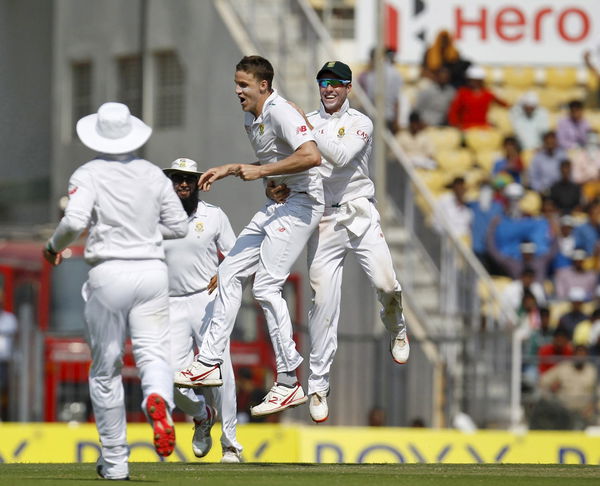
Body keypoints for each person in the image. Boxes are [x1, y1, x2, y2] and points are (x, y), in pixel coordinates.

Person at [42, 102, 188, 480]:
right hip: (152, 271)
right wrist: (143, 235)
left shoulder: (88, 173)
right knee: (153, 353)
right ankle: (159, 401)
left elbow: (74, 221)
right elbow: (179, 226)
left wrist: (54, 247)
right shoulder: (153, 175)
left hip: (109, 273)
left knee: (106, 367)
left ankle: (116, 461)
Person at [174, 56, 324, 418]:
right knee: (228, 273)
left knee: (266, 287)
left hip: (304, 206)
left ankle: (288, 380)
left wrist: (262, 173)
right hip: (283, 204)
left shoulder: (280, 110)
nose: (237, 90)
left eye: (243, 85)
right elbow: (276, 166)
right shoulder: (250, 117)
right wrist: (262, 180)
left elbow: (311, 155)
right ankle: (208, 361)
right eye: (236, 83)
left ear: (263, 85)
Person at [270, 61, 409, 423]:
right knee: (324, 303)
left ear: (348, 88)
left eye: (336, 83)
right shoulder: (308, 121)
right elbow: (295, 162)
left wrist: (306, 127)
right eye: (323, 83)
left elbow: (342, 155)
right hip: (323, 218)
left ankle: (396, 325)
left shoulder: (361, 122)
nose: (328, 88)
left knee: (386, 283)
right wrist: (278, 182)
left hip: (358, 212)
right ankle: (318, 384)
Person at [162, 158, 243, 463]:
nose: (183, 183)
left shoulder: (214, 216)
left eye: (189, 179)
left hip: (206, 301)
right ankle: (202, 414)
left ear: (198, 183)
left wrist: (223, 271)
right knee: (174, 377)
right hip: (170, 303)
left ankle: (231, 444)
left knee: (223, 373)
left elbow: (236, 254)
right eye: (178, 178)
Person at [539, 345, 598, 427]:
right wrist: (551, 388)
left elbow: (598, 393)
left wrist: (592, 406)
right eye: (578, 355)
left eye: (583, 355)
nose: (580, 358)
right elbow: (543, 381)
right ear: (573, 355)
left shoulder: (592, 371)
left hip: (586, 412)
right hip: (563, 411)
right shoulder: (563, 367)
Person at [447, 65, 508, 130]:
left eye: (476, 80)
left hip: (483, 127)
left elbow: (504, 104)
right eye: (471, 80)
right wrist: (455, 124)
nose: (473, 82)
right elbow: (454, 111)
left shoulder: (487, 94)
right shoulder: (463, 93)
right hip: (466, 127)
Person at [358, 48, 403, 133]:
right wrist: (397, 121)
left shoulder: (370, 75)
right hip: (390, 117)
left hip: (375, 118)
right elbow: (396, 100)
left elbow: (370, 98)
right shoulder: (395, 73)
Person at [433, 176, 473, 242]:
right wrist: (445, 235)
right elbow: (436, 221)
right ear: (453, 188)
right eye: (457, 187)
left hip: (464, 242)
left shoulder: (470, 203)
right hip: (446, 239)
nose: (460, 190)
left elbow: (471, 225)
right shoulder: (444, 200)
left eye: (462, 187)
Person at [0, 290, 17, 420]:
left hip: (4, 362)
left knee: (3, 389)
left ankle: (3, 415)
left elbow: (16, 335)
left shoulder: (9, 319)